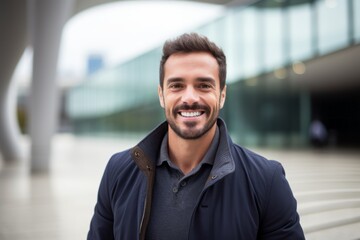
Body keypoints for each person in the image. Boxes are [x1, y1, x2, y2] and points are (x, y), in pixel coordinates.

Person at [87, 33, 305, 240]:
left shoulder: (267, 181)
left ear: (222, 95)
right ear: (161, 95)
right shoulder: (118, 171)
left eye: (203, 85)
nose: (189, 98)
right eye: (177, 86)